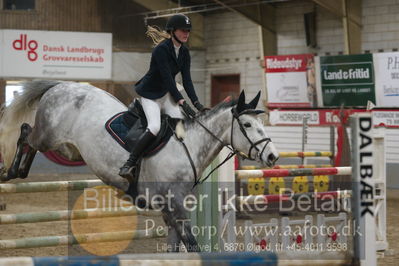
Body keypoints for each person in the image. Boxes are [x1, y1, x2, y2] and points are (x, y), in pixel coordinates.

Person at [119, 14, 206, 178]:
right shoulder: (161, 50)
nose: (186, 34)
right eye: (183, 30)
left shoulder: (185, 52)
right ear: (173, 31)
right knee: (154, 127)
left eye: (188, 31)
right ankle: (129, 164)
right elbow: (167, 78)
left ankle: (180, 160)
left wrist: (197, 103)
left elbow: (187, 80)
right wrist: (181, 101)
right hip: (151, 95)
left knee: (180, 126)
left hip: (166, 94)